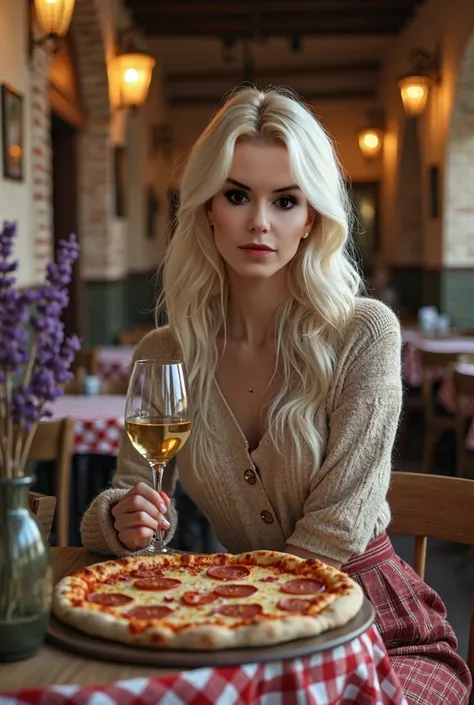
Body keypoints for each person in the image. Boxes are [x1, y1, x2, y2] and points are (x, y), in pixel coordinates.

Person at [81, 87, 471, 704]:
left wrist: (249, 622)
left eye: (285, 200)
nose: (260, 221)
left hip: (379, 629)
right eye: (237, 195)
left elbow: (338, 525)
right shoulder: (164, 352)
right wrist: (121, 521)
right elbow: (131, 493)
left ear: (312, 216)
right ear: (208, 207)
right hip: (247, 624)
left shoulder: (365, 333)